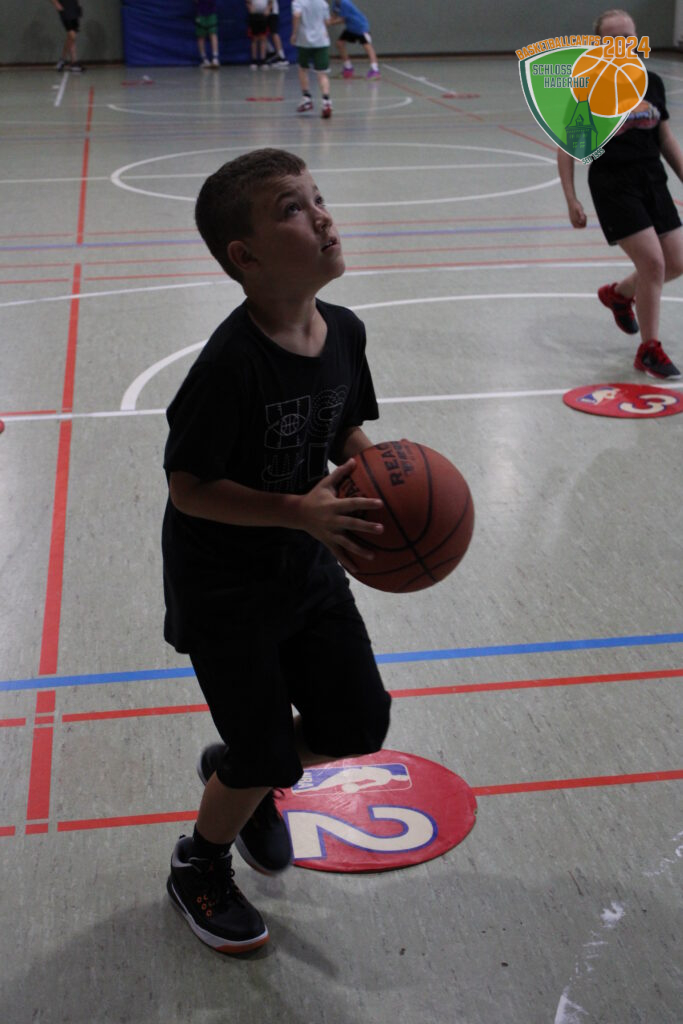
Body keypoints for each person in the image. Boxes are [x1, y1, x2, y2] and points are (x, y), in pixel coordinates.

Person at [162, 148, 392, 954]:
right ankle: (198, 863)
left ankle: (246, 779)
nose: (322, 214)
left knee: (356, 720)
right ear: (246, 257)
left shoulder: (345, 331)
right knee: (264, 749)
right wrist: (297, 509)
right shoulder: (229, 363)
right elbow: (188, 486)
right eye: (293, 208)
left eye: (318, 197)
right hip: (224, 587)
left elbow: (341, 426)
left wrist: (381, 471)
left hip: (306, 565)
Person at [557, 8, 683, 379]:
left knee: (676, 261)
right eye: (612, 40)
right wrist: (571, 198)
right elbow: (568, 147)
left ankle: (620, 294)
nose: (622, 45)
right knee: (653, 264)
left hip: (652, 180)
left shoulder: (651, 82)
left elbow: (665, 138)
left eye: (627, 38)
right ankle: (649, 350)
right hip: (614, 185)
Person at [291, 0, 333, 118]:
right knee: (322, 73)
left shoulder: (298, 2)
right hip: (321, 41)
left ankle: (306, 98)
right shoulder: (323, 3)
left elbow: (296, 15)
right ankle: (326, 101)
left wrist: (294, 34)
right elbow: (327, 21)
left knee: (303, 69)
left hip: (304, 41)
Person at [328, 0, 380, 79]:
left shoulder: (345, 3)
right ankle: (348, 68)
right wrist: (326, 22)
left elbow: (343, 19)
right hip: (351, 28)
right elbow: (334, 16)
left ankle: (375, 70)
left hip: (360, 26)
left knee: (367, 47)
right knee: (340, 44)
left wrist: (330, 23)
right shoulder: (335, 3)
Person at [50, 0, 85, 73]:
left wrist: (78, 5)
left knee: (71, 37)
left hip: (74, 9)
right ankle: (64, 60)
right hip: (65, 10)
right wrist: (57, 5)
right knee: (72, 36)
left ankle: (73, 62)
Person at [194, 0, 220, 68]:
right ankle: (204, 60)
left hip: (211, 11)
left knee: (213, 33)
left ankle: (215, 58)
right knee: (201, 36)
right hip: (200, 13)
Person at [264, 0, 290, 67]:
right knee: (261, 34)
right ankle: (271, 52)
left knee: (274, 33)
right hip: (261, 12)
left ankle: (282, 57)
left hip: (272, 12)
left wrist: (269, 8)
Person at [246, 0, 270, 69]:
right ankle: (254, 60)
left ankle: (263, 60)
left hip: (264, 15)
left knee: (263, 38)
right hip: (254, 15)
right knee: (254, 38)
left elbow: (271, 2)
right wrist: (249, 7)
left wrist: (268, 9)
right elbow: (247, 1)